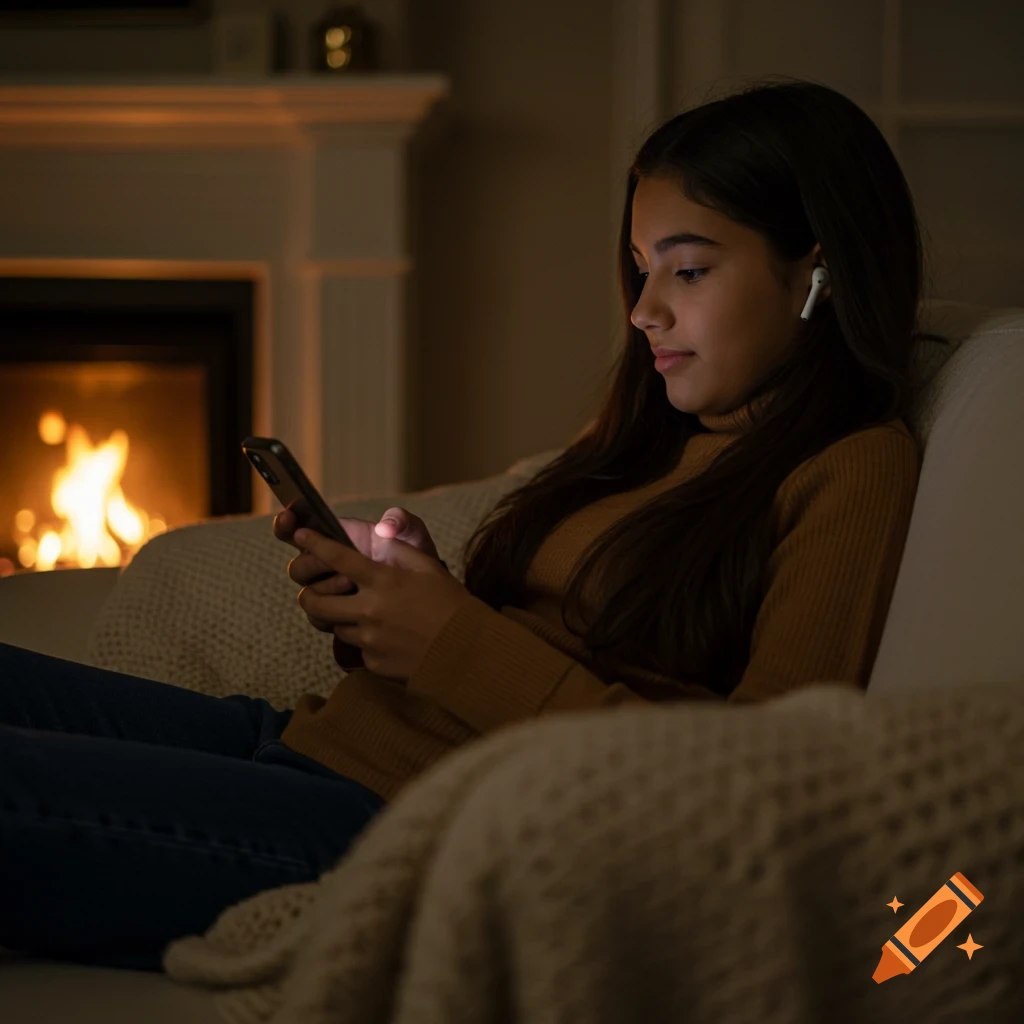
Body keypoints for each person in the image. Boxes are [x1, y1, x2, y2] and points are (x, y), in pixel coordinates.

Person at [0, 76, 946, 974]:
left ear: (816, 272)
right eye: (639, 269)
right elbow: (529, 648)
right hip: (308, 743)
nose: (645, 312)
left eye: (688, 269)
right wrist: (398, 607)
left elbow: (753, 799)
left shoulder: (851, 466)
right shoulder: (657, 437)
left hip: (400, 827)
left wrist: (448, 641)